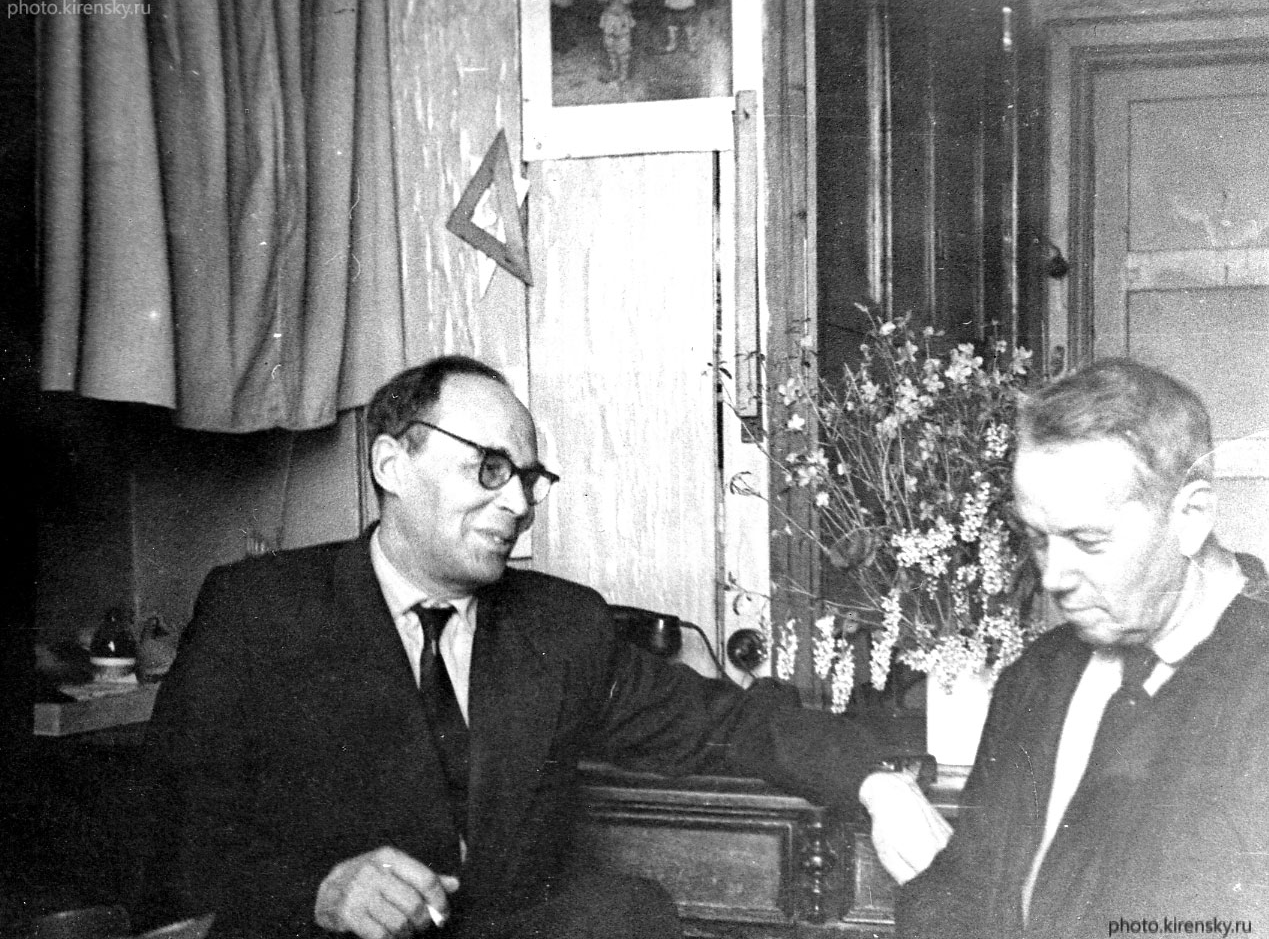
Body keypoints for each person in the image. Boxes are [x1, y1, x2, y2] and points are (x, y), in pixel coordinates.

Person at [141, 355, 941, 939]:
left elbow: (725, 724)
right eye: (489, 469)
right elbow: (171, 843)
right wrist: (319, 892)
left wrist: (874, 783)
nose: (519, 502)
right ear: (391, 463)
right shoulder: (259, 612)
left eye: (528, 478)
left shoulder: (561, 627)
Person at [897, 357, 1269, 939]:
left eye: (1088, 540)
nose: (1052, 578)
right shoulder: (1037, 676)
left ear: (1191, 516)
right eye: (1037, 540)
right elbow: (967, 892)